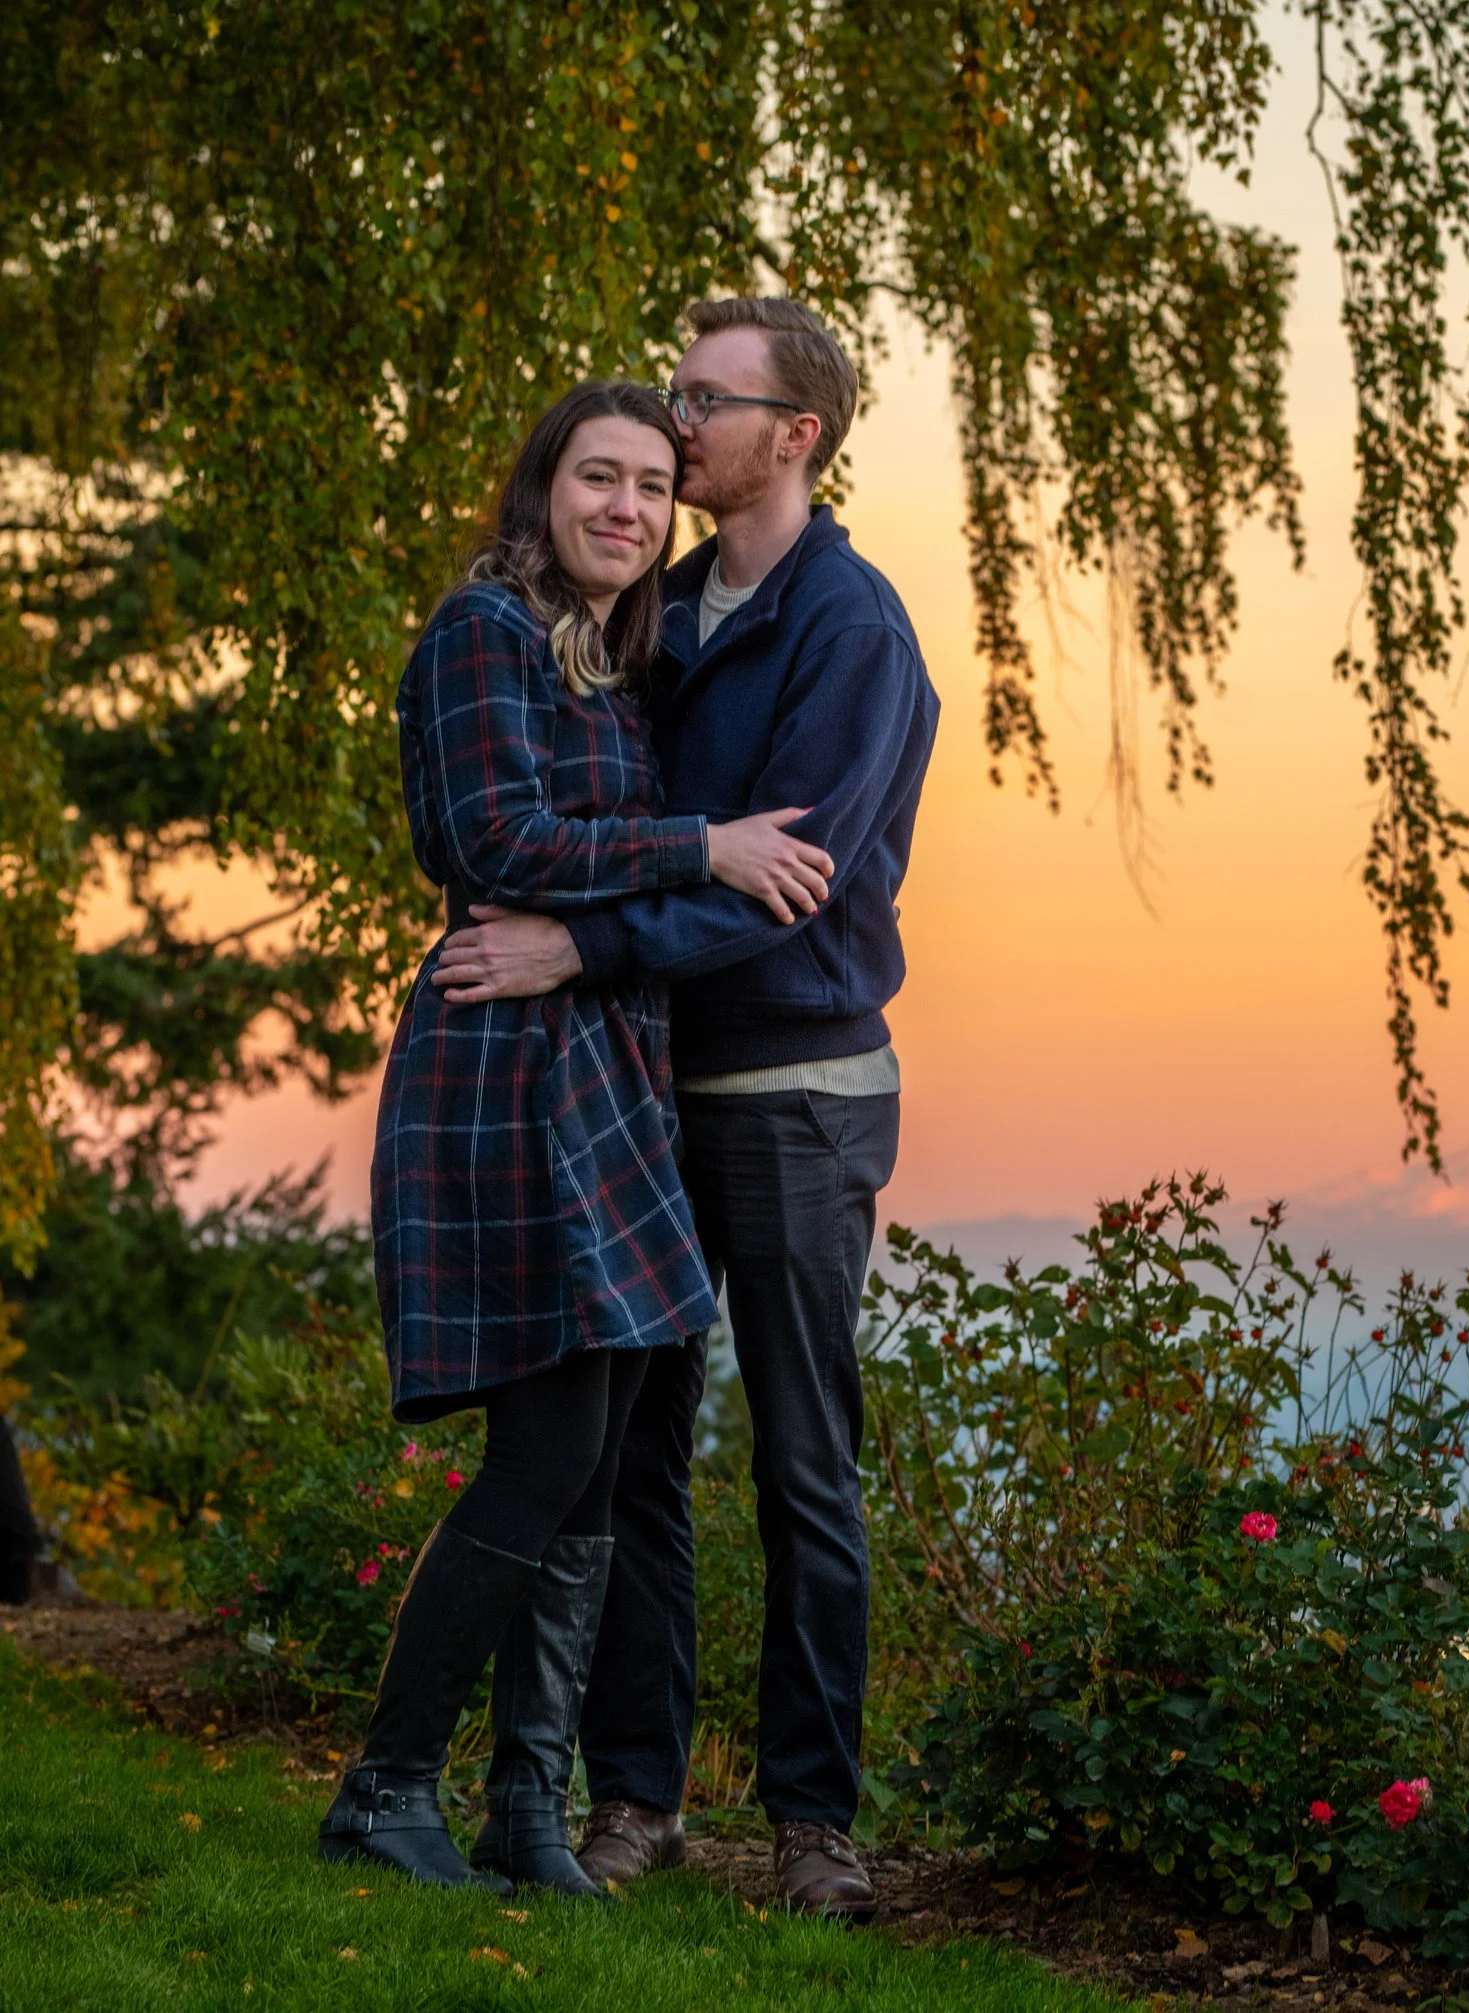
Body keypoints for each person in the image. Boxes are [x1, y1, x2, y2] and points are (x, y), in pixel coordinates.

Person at [430, 298, 939, 1916]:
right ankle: (637, 1800)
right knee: (634, 1461)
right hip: (643, 1083)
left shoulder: (851, 630)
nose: (679, 421)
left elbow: (782, 887)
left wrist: (577, 938)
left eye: (707, 401)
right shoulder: (656, 614)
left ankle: (814, 1828)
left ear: (795, 434)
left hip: (793, 1088)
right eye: (673, 393)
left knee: (802, 1463)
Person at [320, 380, 835, 1896]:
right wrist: (706, 847)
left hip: (606, 1064)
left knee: (602, 1456)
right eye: (596, 478)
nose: (626, 508)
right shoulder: (482, 629)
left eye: (652, 489)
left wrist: (622, 904)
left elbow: (567, 866)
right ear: (543, 489)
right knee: (546, 1447)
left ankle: (526, 1812)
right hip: (504, 1067)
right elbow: (501, 843)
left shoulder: (611, 658)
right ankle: (382, 1785)